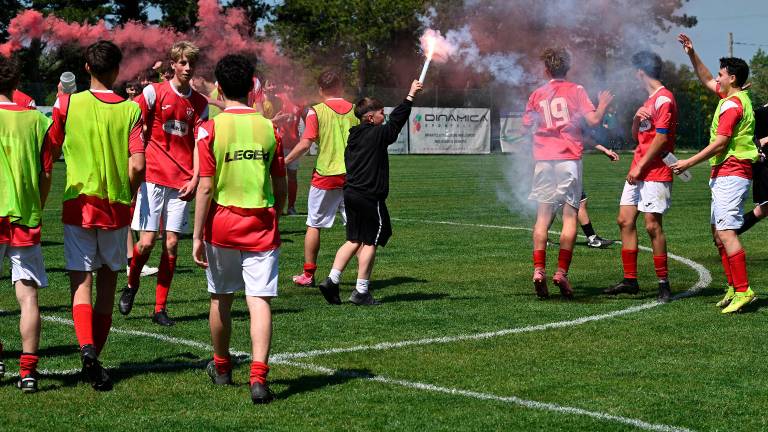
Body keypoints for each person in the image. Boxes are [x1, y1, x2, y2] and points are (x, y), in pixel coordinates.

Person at [47, 40, 145, 390]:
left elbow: (51, 149)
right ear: (118, 70)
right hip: (115, 208)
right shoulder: (131, 110)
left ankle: (87, 350)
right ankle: (93, 356)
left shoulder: (68, 104)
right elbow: (138, 164)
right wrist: (130, 193)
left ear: (87, 68)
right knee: (107, 286)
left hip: (78, 204)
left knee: (81, 285)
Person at [192, 54, 287, 404]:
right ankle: (258, 378)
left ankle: (221, 366)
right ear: (252, 86)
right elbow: (280, 186)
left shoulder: (209, 128)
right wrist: (278, 210)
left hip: (223, 224)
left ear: (219, 87)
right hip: (261, 224)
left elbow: (204, 186)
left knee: (221, 298)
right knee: (259, 300)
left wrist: (197, 235)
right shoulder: (269, 127)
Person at [119, 41, 208, 326]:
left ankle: (160, 308)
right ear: (172, 64)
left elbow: (199, 144)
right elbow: (131, 122)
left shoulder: (201, 103)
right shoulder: (152, 92)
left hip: (181, 182)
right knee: (146, 243)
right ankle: (132, 285)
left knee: (171, 245)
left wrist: (195, 178)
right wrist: (137, 156)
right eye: (182, 62)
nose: (187, 67)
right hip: (153, 177)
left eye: (191, 63)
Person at [671, 34, 757, 313]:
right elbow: (706, 78)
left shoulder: (733, 105)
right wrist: (692, 54)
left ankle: (744, 291)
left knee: (727, 232)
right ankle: (733, 287)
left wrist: (688, 162)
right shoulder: (729, 96)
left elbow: (720, 142)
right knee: (717, 233)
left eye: (721, 75)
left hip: (733, 172)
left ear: (732, 78)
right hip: (724, 173)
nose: (716, 79)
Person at [317, 81, 423, 305]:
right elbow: (396, 124)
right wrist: (410, 96)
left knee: (353, 239)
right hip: (369, 196)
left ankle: (332, 280)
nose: (384, 116)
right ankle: (361, 291)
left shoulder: (354, 136)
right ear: (370, 117)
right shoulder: (376, 135)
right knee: (371, 240)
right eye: (381, 113)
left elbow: (391, 124)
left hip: (351, 194)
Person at [524, 47, 613, 299]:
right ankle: (561, 272)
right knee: (570, 217)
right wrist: (604, 104)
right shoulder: (577, 90)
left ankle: (539, 270)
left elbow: (527, 125)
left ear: (546, 69)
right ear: (568, 67)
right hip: (568, 159)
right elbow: (593, 121)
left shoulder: (537, 94)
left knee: (542, 218)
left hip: (543, 159)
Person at [603, 51, 678, 302]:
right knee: (624, 220)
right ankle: (630, 280)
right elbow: (640, 137)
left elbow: (661, 138)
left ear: (641, 72)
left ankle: (663, 284)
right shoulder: (648, 101)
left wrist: (640, 166)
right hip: (639, 168)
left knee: (652, 225)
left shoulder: (664, 99)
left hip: (654, 171)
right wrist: (636, 119)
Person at [0, 55, 53, 393]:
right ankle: (28, 372)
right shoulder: (37, 120)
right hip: (25, 215)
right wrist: (37, 203)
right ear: (15, 83)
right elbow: (46, 172)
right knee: (28, 295)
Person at [285, 70, 359, 287]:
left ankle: (308, 275)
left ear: (320, 90)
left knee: (314, 225)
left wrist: (285, 160)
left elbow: (305, 144)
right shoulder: (355, 110)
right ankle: (363, 279)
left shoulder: (315, 111)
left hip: (326, 176)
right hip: (353, 176)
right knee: (358, 229)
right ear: (341, 86)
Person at [734, 103, 768, 234]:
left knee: (763, 210)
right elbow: (746, 135)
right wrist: (759, 142)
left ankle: (728, 233)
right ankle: (728, 234)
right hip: (764, 166)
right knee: (763, 209)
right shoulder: (759, 113)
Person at [273, 85, 303, 214]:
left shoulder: (301, 102)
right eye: (288, 85)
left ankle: (291, 207)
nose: (291, 88)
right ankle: (275, 206)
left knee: (292, 176)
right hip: (280, 143)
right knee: (276, 176)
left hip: (294, 145)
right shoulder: (278, 98)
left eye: (293, 85)